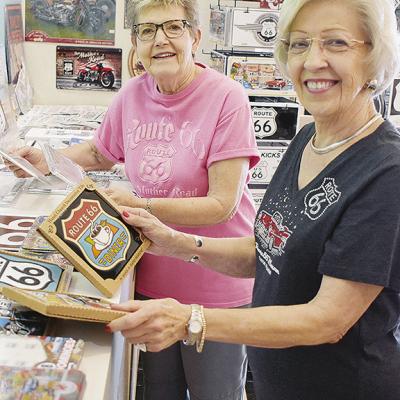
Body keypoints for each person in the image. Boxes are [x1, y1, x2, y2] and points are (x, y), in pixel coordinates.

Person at [107, 1, 400, 399]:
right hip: (278, 381)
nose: (313, 60)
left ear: (375, 56)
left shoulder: (386, 171)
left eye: (336, 43)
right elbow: (267, 251)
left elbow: (326, 321)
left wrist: (190, 319)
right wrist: (178, 243)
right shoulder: (307, 141)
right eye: (298, 45)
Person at [7, 1, 260, 399]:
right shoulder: (133, 94)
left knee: (216, 393)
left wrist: (141, 205)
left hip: (214, 287)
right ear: (136, 43)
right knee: (158, 392)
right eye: (147, 30)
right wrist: (46, 159)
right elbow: (98, 153)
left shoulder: (227, 98)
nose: (160, 39)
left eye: (173, 27)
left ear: (195, 37)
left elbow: (222, 204)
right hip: (150, 280)